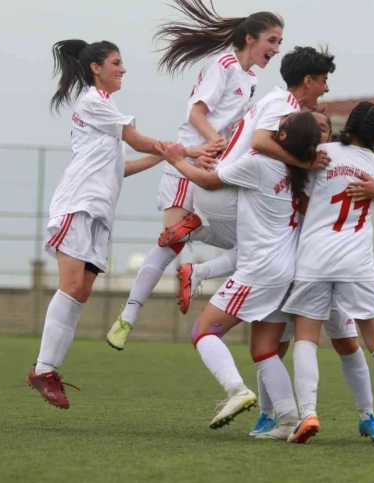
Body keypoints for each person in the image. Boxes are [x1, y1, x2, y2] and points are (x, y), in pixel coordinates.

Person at [25, 39, 207, 409]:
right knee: (71, 286)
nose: (123, 69)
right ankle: (43, 369)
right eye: (116, 62)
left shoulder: (105, 108)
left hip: (99, 212)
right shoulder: (94, 101)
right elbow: (137, 141)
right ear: (96, 68)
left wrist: (169, 157)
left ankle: (48, 370)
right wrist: (185, 151)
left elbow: (121, 166)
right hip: (77, 205)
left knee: (80, 292)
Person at [107, 0, 285, 350]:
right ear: (250, 38)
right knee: (169, 244)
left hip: (215, 166)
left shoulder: (250, 79)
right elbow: (196, 114)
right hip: (188, 160)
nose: (276, 49)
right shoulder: (223, 64)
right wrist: (211, 143)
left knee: (250, 243)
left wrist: (228, 151)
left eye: (279, 42)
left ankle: (197, 245)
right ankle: (127, 317)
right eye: (272, 40)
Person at [161, 111, 321, 439]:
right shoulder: (302, 172)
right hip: (287, 270)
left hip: (259, 270)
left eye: (279, 127)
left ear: (283, 138)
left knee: (203, 331)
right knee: (264, 349)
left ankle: (236, 390)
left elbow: (208, 181)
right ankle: (289, 421)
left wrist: (177, 160)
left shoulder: (259, 164)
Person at [283, 101, 374, 445]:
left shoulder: (320, 154)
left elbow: (304, 193)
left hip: (314, 257)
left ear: (348, 124)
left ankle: (308, 413)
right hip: (356, 262)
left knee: (306, 337)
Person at [248, 110, 374, 443]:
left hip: (328, 266)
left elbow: (367, 194)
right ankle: (269, 415)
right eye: (313, 130)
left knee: (347, 342)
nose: (319, 136)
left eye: (323, 129)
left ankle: (367, 415)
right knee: (276, 346)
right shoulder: (289, 168)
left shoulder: (332, 163)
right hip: (291, 268)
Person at [171, 46, 337, 316]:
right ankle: (199, 242)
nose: (326, 88)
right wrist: (304, 163)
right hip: (226, 190)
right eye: (324, 80)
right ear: (308, 80)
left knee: (269, 246)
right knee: (279, 246)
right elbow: (260, 142)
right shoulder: (285, 104)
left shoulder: (274, 99)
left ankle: (197, 242)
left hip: (224, 188)